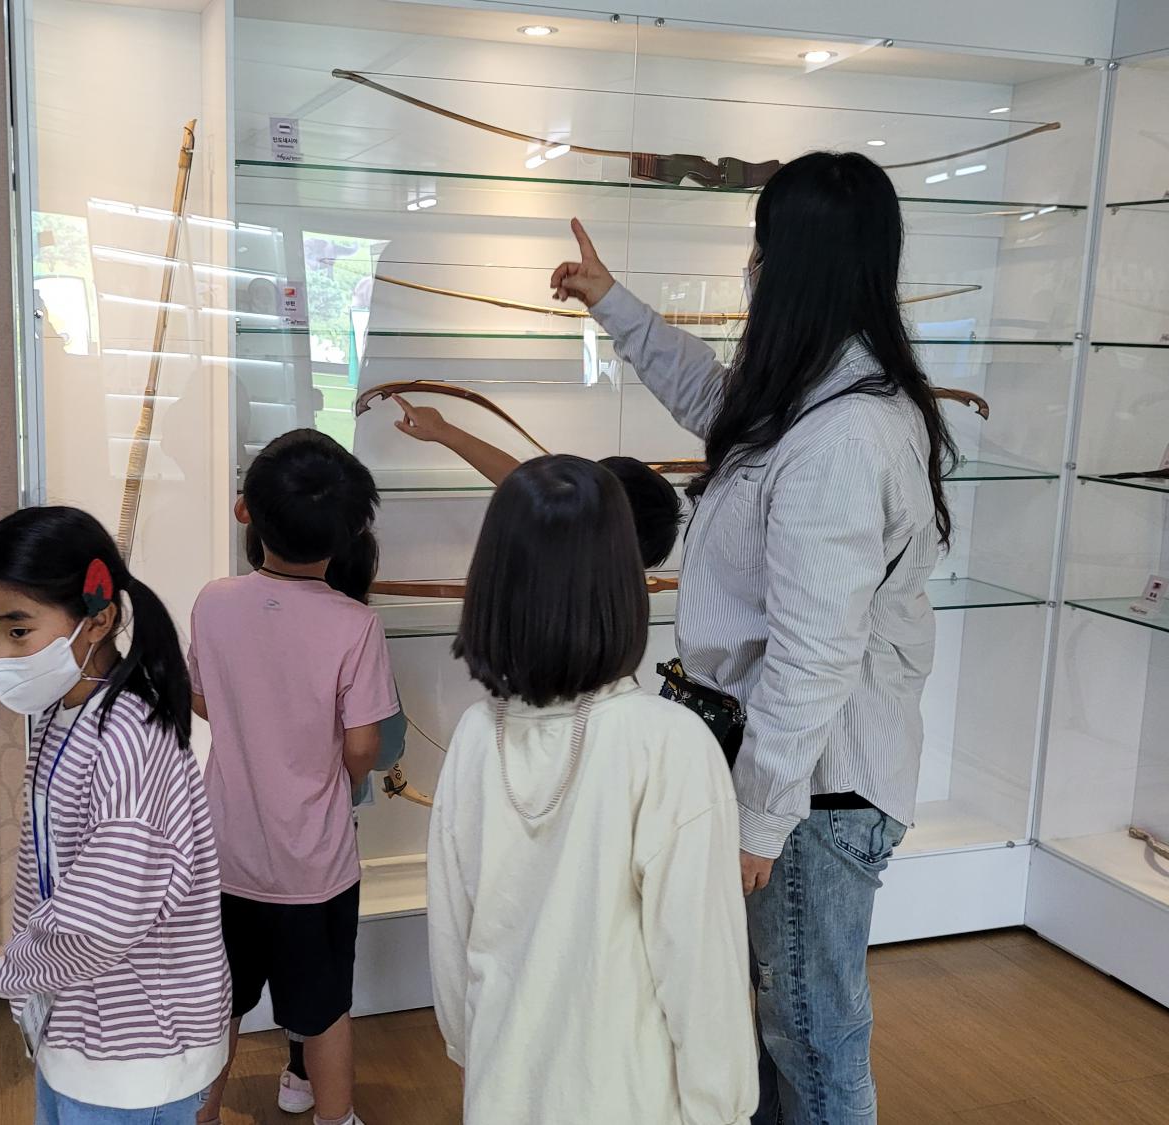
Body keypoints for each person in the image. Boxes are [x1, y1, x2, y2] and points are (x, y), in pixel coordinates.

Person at [550, 153, 956, 1125]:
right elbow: (714, 399)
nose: (750, 266)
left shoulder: (842, 439)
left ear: (789, 265)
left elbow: (815, 656)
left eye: (759, 248)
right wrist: (612, 302)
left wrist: (760, 817)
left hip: (814, 790)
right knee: (780, 1026)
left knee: (810, 1036)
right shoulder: (817, 391)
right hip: (786, 773)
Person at [427, 455, 755, 1124]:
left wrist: (476, 1050)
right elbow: (702, 971)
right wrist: (721, 1108)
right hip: (631, 1099)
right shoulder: (669, 742)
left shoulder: (474, 735)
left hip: (500, 1090)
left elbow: (450, 935)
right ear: (625, 580)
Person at [0, 505, 229, 1125]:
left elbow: (103, 921)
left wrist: (14, 971)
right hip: (79, 1028)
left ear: (98, 618)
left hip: (137, 1052)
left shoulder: (128, 738)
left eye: (17, 631)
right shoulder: (66, 714)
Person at [189, 429, 397, 1125]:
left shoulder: (214, 600)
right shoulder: (355, 624)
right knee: (324, 1006)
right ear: (352, 529)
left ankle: (201, 1115)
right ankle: (332, 1116)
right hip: (315, 863)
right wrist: (336, 774)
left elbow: (203, 699)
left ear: (247, 511)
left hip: (225, 852)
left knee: (219, 1002)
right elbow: (363, 745)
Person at [387, 395, 684, 568]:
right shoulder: (582, 544)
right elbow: (521, 480)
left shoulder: (579, 604)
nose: (570, 493)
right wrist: (443, 431)